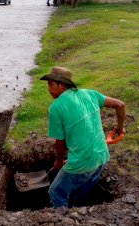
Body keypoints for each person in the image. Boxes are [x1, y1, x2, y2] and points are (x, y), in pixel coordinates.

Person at [40, 66, 126, 208]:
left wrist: (59, 162)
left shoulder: (56, 107)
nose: (48, 89)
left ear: (61, 85)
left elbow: (60, 142)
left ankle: (64, 219)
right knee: (83, 188)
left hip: (82, 163)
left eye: (51, 85)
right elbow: (120, 105)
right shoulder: (90, 94)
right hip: (102, 157)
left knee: (55, 192)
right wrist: (119, 127)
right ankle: (79, 206)